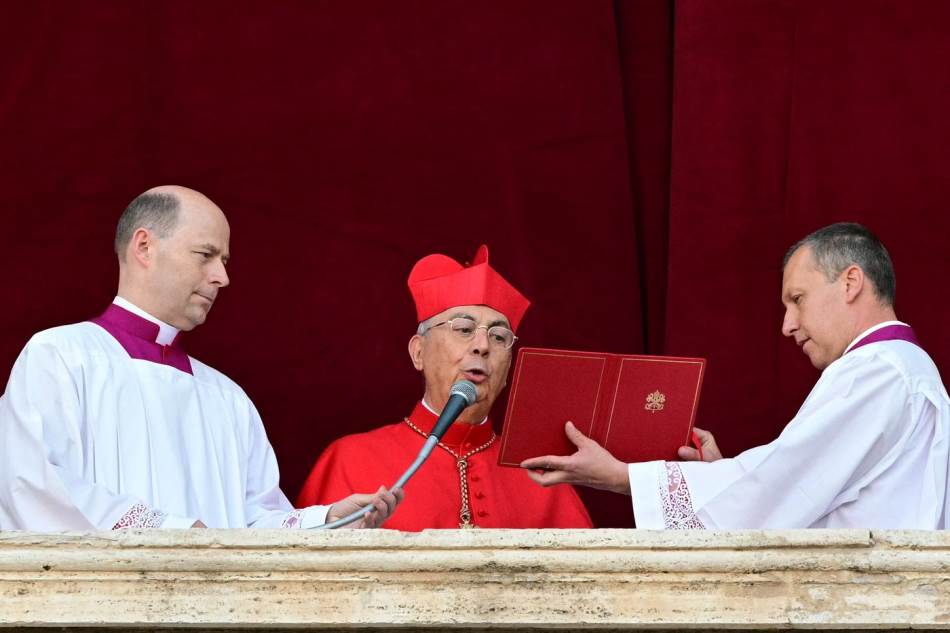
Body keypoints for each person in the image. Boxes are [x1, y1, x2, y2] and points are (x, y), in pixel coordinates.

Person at [0, 185, 401, 530]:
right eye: (205, 254)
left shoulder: (225, 397)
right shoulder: (61, 356)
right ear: (144, 246)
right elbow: (32, 484)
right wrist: (169, 532)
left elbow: (253, 524)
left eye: (223, 261)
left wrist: (324, 520)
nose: (221, 277)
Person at [522, 223, 949, 529]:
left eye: (797, 299)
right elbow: (803, 488)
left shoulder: (877, 372)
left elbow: (781, 485)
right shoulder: (902, 368)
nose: (788, 325)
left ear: (851, 281)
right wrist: (721, 474)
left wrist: (621, 476)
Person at [297, 245, 592, 529]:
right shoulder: (349, 460)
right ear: (418, 352)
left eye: (500, 337)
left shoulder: (542, 476)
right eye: (464, 330)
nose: (482, 346)